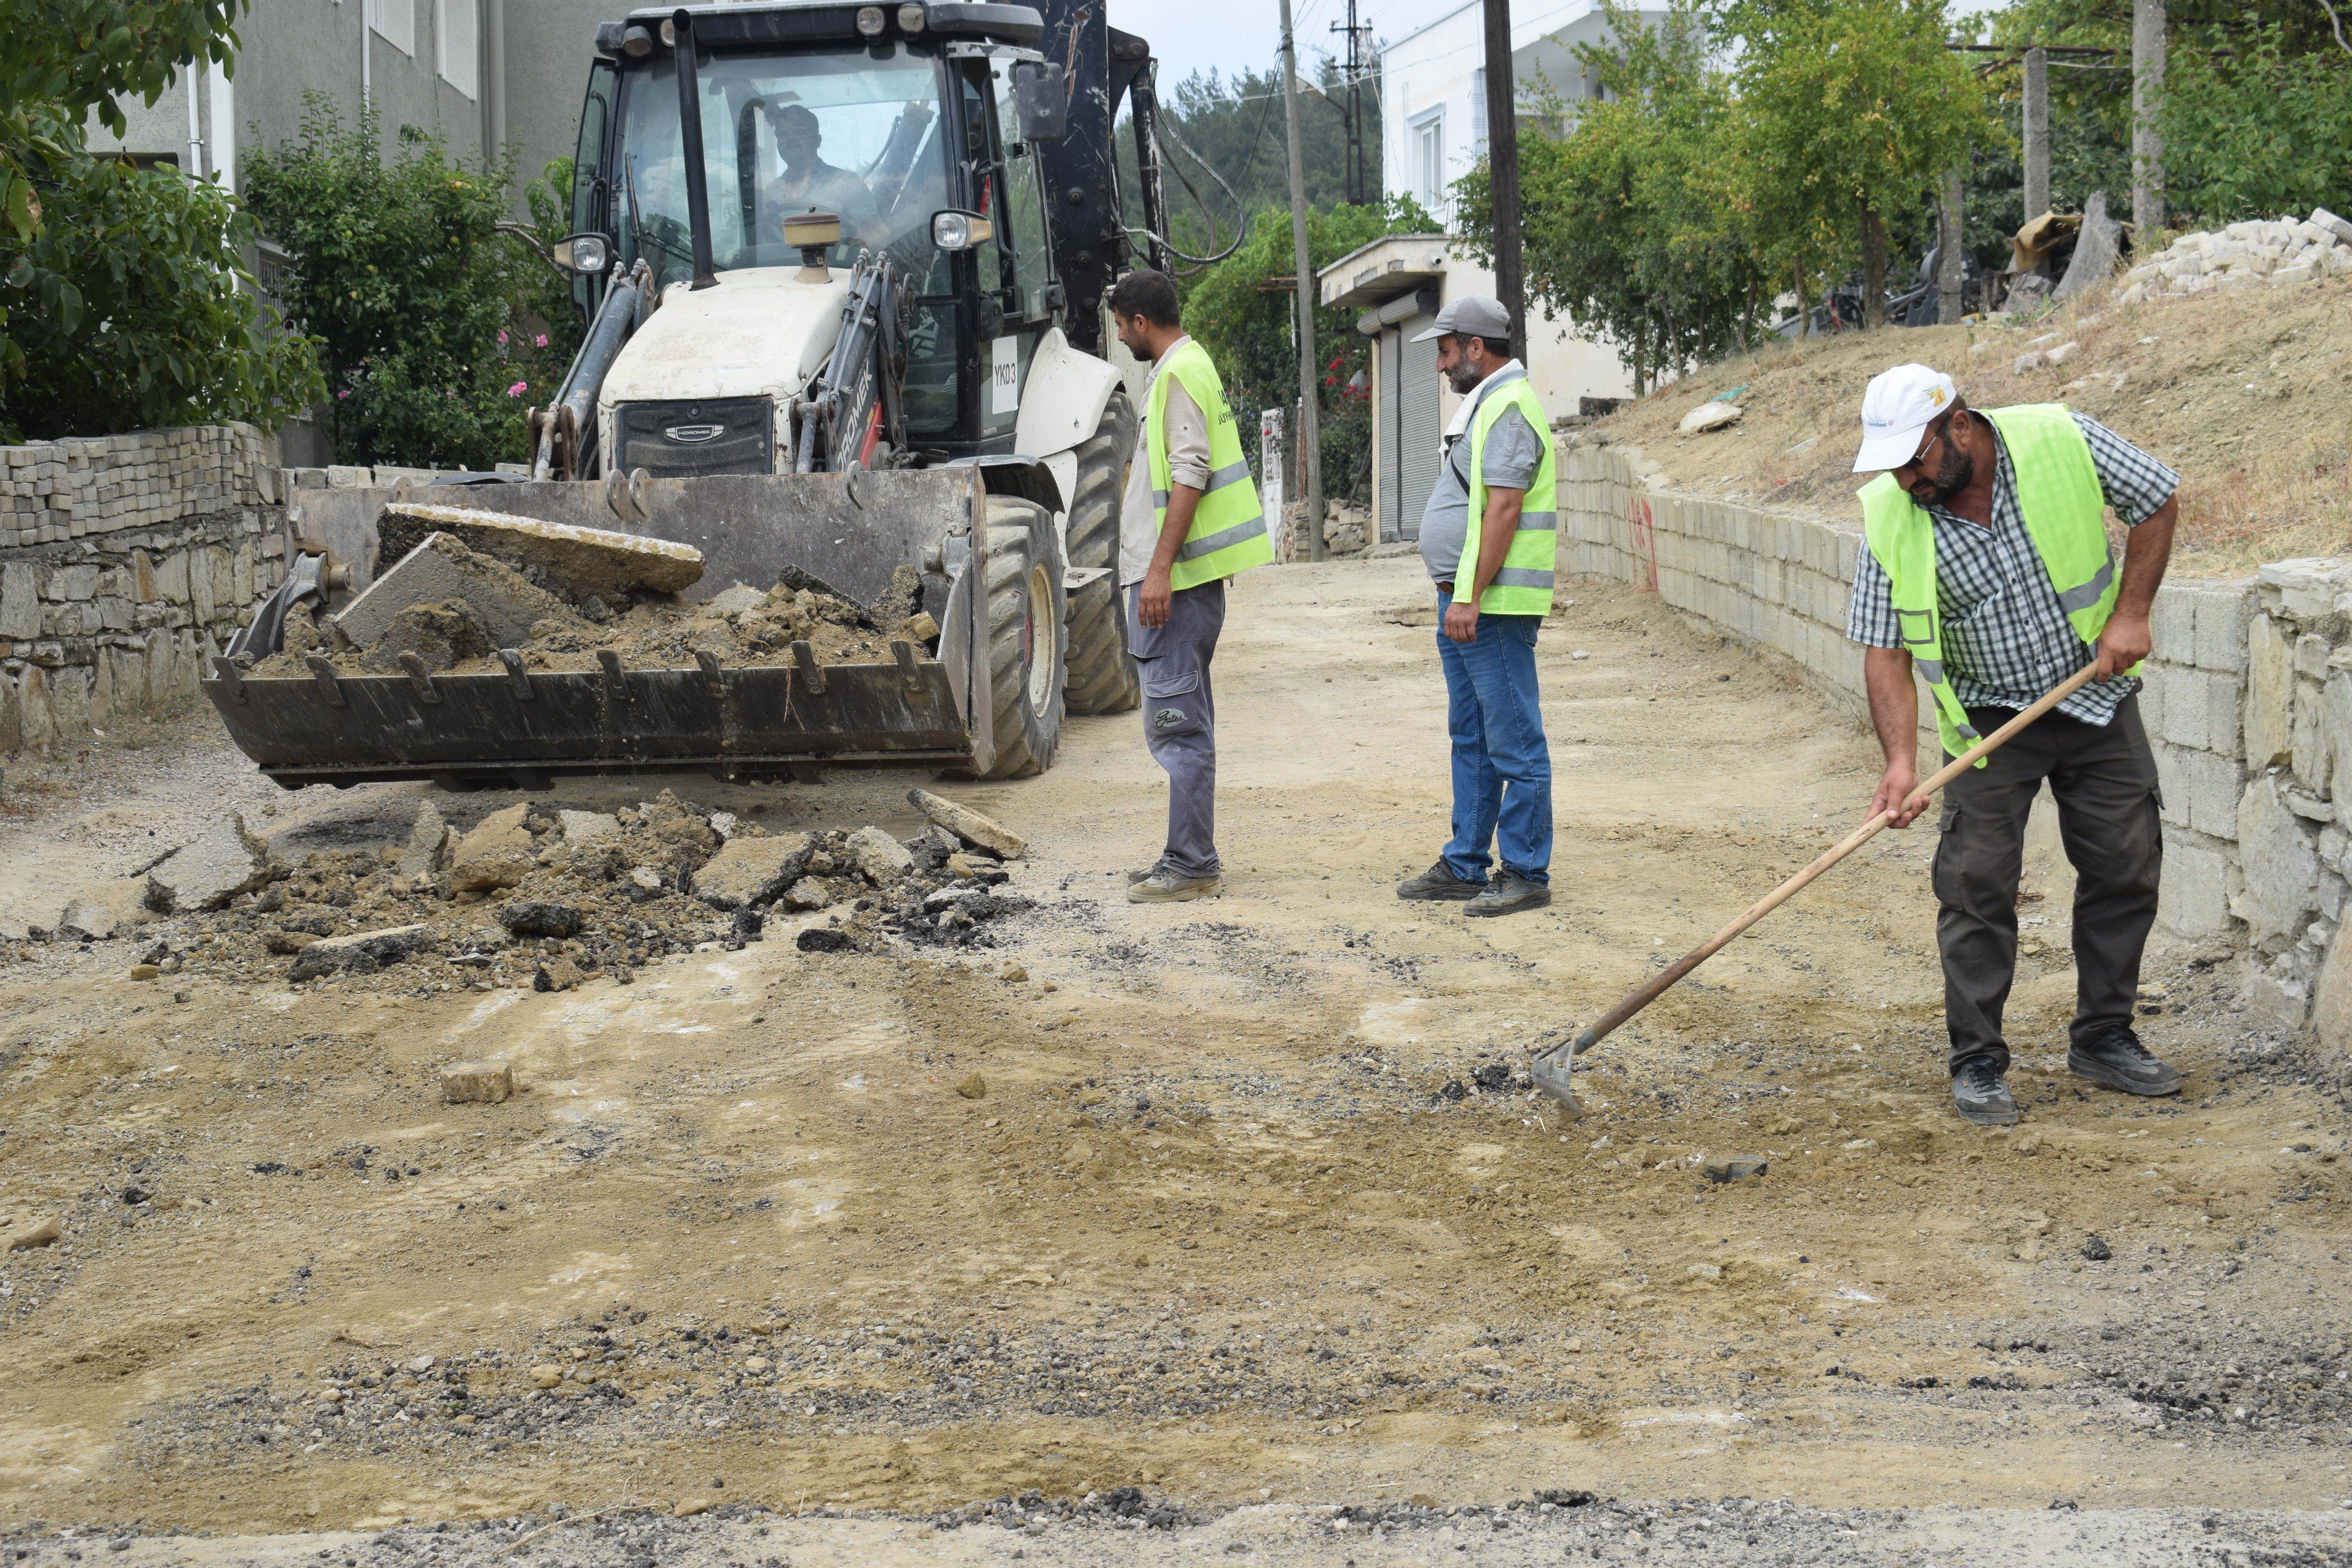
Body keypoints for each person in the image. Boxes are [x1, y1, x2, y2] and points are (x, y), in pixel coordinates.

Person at [1847, 363, 2183, 1126]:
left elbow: (2158, 494)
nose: (1905, 480)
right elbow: (1885, 649)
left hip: (2092, 696)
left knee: (2125, 863)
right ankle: (1977, 1061)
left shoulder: (2057, 438)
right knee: (1975, 887)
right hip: (1987, 726)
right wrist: (1901, 762)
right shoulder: (1892, 515)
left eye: (1915, 459)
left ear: (1958, 426)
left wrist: (2132, 613)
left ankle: (2103, 1033)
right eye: (1893, 466)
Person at [1106, 268, 1272, 904]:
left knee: (1178, 727)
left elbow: (1189, 475)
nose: (1121, 337)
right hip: (1188, 582)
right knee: (1181, 722)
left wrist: (1158, 571)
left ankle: (1192, 863)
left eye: (1122, 326)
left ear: (1141, 322)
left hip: (1175, 587)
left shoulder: (1175, 373)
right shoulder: (1194, 364)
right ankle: (1184, 854)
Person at [1393, 295, 1557, 918]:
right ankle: (1466, 863)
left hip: (1490, 606)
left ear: (1475, 348)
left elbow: (1505, 509)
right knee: (1473, 736)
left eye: (1444, 350)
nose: (1440, 364)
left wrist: (1469, 595)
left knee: (1514, 740)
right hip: (1465, 603)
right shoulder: (1486, 405)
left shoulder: (1510, 407)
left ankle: (1525, 871)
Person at [762, 104, 878, 243]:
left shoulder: (846, 183)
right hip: (783, 265)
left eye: (799, 131)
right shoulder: (771, 192)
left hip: (834, 265)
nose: (790, 138)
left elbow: (878, 236)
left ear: (817, 141)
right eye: (782, 133)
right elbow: (764, 244)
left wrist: (865, 242)